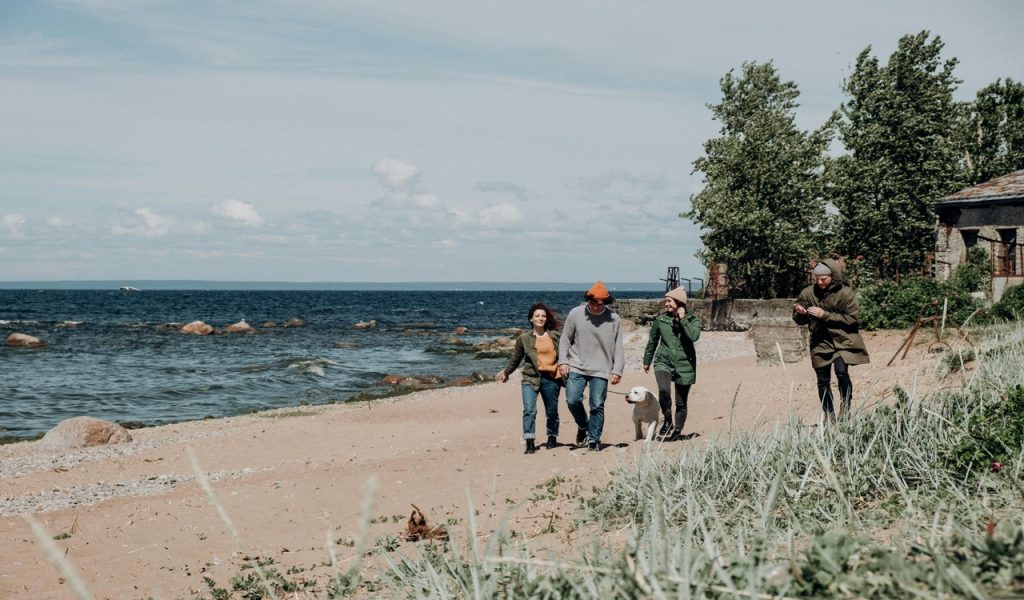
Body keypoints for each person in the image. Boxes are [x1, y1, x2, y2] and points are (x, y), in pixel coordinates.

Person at [792, 258, 870, 420]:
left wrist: (825, 315)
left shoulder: (846, 293)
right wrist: (800, 313)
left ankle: (845, 406)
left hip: (843, 340)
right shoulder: (808, 293)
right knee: (822, 380)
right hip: (820, 342)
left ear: (833, 276)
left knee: (841, 372)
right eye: (817, 279)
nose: (820, 282)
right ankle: (829, 415)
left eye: (824, 279)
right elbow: (799, 320)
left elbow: (852, 320)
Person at [557, 281, 624, 451]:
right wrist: (563, 361)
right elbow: (565, 339)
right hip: (577, 365)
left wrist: (617, 370)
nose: (595, 307)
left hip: (601, 368)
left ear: (606, 302)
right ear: (588, 299)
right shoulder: (575, 313)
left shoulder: (614, 319)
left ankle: (594, 440)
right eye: (592, 302)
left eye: (599, 303)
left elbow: (618, 347)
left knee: (597, 404)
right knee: (572, 400)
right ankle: (583, 425)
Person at [496, 303, 563, 454]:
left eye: (543, 316)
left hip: (551, 378)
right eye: (537, 316)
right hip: (530, 378)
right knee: (529, 410)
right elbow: (516, 358)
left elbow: (566, 354)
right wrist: (506, 372)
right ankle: (530, 441)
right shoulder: (524, 338)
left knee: (552, 411)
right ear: (531, 319)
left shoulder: (555, 336)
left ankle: (552, 436)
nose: (541, 318)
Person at [643, 286, 701, 440]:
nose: (666, 304)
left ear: (679, 303)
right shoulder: (660, 320)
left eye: (669, 301)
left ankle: (677, 432)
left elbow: (693, 336)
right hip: (663, 361)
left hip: (685, 364)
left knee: (681, 403)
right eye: (666, 300)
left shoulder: (692, 319)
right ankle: (667, 419)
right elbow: (652, 341)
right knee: (664, 390)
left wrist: (682, 320)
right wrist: (647, 360)